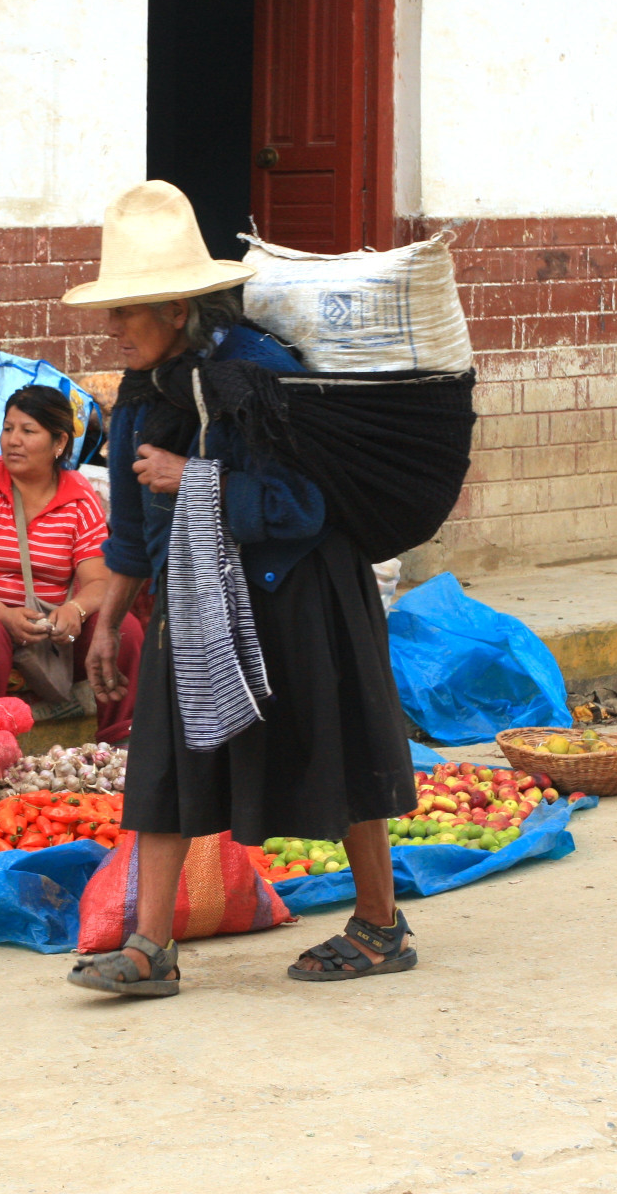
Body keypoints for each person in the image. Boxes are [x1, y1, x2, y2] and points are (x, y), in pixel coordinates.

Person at [66, 181, 422, 997]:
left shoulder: (258, 375)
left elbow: (304, 505)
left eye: (127, 312)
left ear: (178, 308)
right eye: (111, 311)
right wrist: (107, 622)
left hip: (297, 589)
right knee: (160, 759)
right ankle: (150, 947)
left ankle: (379, 923)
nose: (112, 328)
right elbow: (128, 529)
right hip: (190, 598)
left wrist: (195, 477)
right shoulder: (136, 403)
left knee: (334, 751)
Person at [0, 384, 144, 743]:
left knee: (124, 627)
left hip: (43, 639)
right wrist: (3, 614)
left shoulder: (80, 499)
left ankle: (120, 745)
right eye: (8, 429)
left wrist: (76, 609)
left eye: (28, 431)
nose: (13, 441)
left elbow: (99, 583)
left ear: (59, 443)